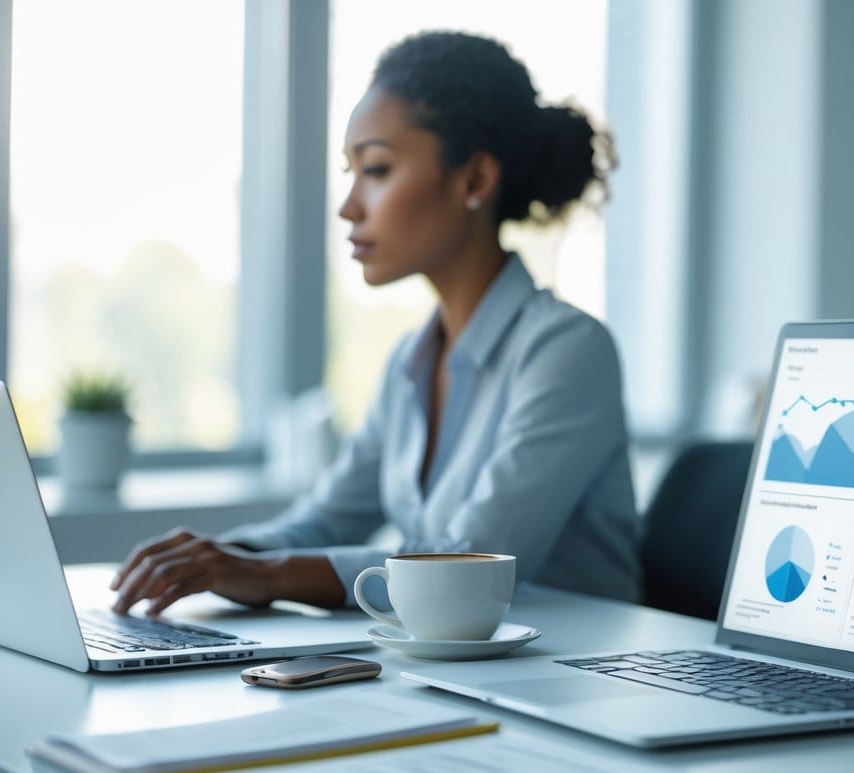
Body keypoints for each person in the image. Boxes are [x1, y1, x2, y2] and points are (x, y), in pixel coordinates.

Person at [110, 31, 639, 616]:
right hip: (457, 667)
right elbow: (327, 519)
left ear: (475, 181)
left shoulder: (567, 350)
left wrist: (263, 573)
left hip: (575, 675)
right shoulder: (411, 362)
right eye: (352, 172)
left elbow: (469, 563)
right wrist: (217, 558)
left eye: (378, 168)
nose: (349, 206)